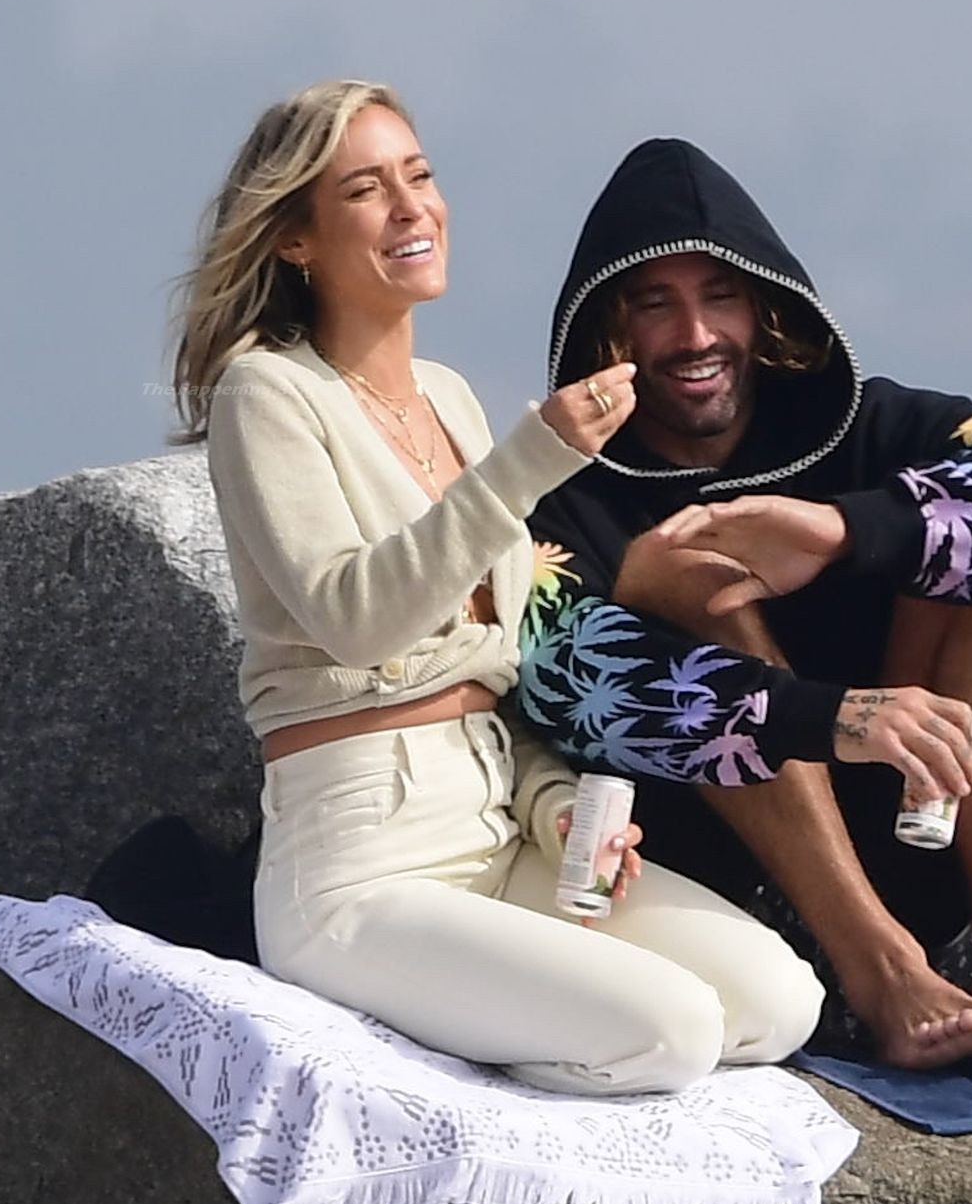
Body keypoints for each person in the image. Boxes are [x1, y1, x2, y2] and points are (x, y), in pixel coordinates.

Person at [170, 84, 826, 1095]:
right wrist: (531, 463)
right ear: (295, 238)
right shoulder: (266, 393)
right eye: (365, 190)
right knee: (674, 1031)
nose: (411, 208)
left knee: (778, 1000)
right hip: (360, 869)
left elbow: (494, 662)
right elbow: (355, 620)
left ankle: (488, 1028)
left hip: (500, 828)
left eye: (419, 176)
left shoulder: (450, 399)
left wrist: (554, 805)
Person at [518, 137, 972, 1074]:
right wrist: (832, 717)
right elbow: (560, 678)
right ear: (609, 329)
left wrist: (848, 532)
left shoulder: (870, 426)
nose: (695, 335)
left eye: (719, 296)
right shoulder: (566, 495)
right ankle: (886, 978)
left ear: (764, 307)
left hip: (914, 840)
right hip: (720, 890)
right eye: (654, 305)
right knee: (694, 573)